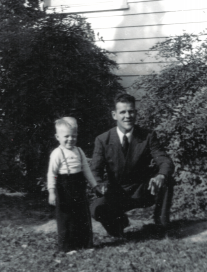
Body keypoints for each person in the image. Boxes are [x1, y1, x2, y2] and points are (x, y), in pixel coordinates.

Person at [90, 94, 174, 237]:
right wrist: (99, 185)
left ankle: (160, 225)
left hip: (142, 190)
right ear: (114, 115)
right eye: (122, 112)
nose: (127, 116)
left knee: (167, 180)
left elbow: (165, 161)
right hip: (116, 192)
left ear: (136, 113)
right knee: (96, 209)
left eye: (131, 111)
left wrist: (160, 176)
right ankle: (120, 223)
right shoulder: (103, 140)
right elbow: (94, 171)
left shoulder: (147, 136)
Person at [47, 117, 102, 253]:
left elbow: (87, 170)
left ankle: (85, 244)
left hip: (78, 185)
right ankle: (67, 247)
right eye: (66, 136)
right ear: (57, 137)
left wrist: (95, 185)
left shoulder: (79, 151)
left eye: (74, 136)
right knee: (66, 218)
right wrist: (52, 191)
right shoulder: (56, 153)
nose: (70, 139)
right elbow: (51, 173)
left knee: (82, 216)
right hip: (64, 187)